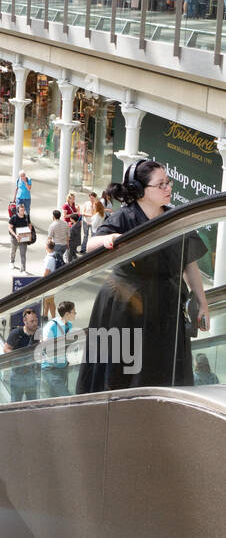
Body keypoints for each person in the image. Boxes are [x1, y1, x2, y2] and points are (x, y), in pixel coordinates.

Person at [76, 161, 209, 393]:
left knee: (160, 369)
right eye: (161, 184)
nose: (168, 188)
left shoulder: (175, 217)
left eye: (168, 182)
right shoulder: (125, 217)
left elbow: (189, 264)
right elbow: (90, 244)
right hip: (126, 305)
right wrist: (111, 239)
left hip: (165, 307)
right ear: (140, 190)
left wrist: (203, 303)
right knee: (121, 371)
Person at [4, 306, 41, 402]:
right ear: (25, 321)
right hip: (17, 375)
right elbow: (6, 349)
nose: (35, 324)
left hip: (31, 375)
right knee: (16, 403)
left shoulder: (37, 333)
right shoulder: (16, 333)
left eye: (36, 321)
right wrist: (19, 357)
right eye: (32, 321)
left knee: (33, 404)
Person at [40, 301, 75, 397]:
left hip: (63, 366)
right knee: (65, 396)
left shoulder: (69, 326)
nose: (75, 314)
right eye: (74, 312)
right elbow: (44, 345)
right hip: (50, 368)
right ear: (67, 314)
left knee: (54, 397)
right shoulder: (52, 325)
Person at [9, 202, 36, 272]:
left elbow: (30, 224)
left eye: (23, 210)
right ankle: (12, 262)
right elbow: (10, 228)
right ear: (18, 210)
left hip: (24, 238)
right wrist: (15, 235)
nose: (23, 212)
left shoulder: (26, 216)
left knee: (23, 254)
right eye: (21, 210)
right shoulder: (14, 218)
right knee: (13, 251)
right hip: (15, 238)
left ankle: (23, 269)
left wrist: (29, 231)